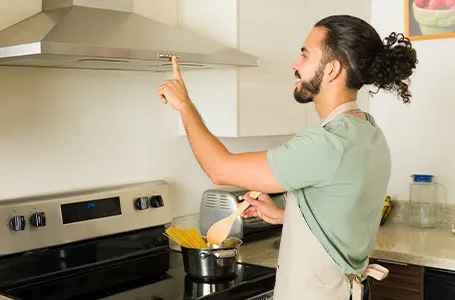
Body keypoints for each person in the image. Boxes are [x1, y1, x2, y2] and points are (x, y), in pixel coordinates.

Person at [157, 14, 418, 300]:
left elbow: (219, 169)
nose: (295, 64)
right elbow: (345, 211)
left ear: (332, 70)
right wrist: (285, 215)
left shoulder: (326, 144)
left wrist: (183, 104)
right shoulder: (367, 129)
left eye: (304, 55)